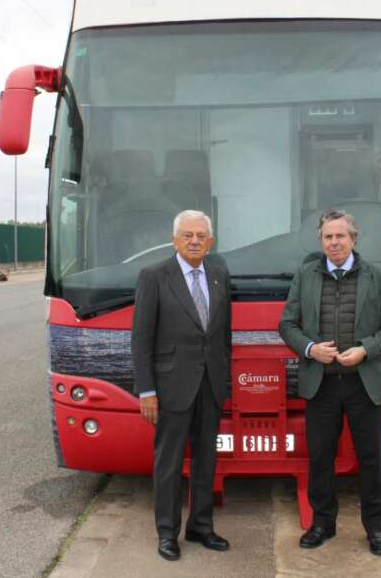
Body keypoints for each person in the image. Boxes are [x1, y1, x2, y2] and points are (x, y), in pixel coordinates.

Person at [278, 209, 381, 556]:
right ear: (320, 241)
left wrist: (365, 350)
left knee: (371, 459)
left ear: (353, 239)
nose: (334, 242)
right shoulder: (305, 276)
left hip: (364, 384)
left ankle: (376, 528)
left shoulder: (379, 277)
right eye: (328, 237)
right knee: (320, 457)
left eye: (340, 236)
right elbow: (287, 325)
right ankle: (322, 523)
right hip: (321, 385)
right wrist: (309, 349)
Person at [131, 210, 232, 561]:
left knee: (206, 460)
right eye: (187, 235)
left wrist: (225, 382)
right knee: (169, 463)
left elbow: (222, 338)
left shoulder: (219, 275)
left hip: (211, 385)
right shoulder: (154, 277)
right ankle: (167, 533)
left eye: (201, 235)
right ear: (174, 240)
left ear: (210, 241)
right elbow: (141, 340)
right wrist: (146, 391)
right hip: (171, 387)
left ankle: (201, 526)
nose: (194, 241)